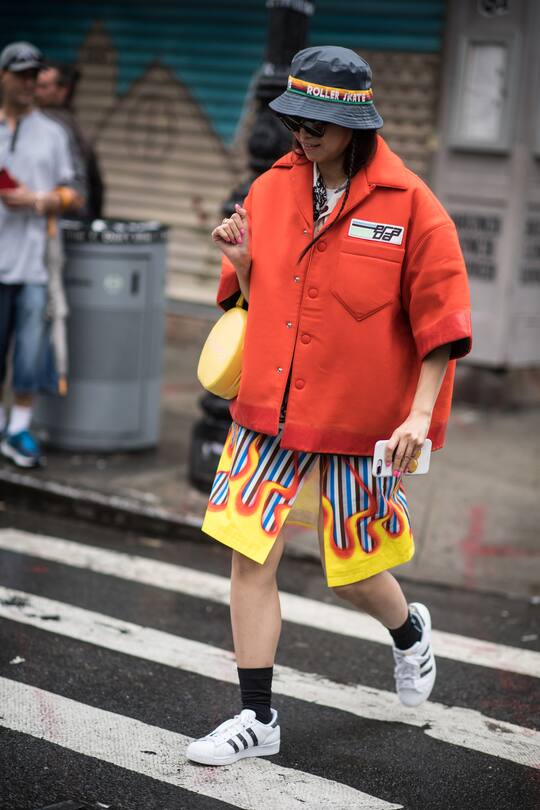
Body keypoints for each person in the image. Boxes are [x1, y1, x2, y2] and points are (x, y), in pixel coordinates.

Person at [186, 46, 472, 766]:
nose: (302, 137)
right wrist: (245, 264)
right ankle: (257, 717)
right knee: (250, 551)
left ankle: (409, 632)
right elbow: (258, 303)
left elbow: (441, 324)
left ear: (355, 127)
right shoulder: (270, 189)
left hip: (360, 416)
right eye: (294, 122)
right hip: (269, 409)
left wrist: (417, 415)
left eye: (317, 125)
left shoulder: (413, 207)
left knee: (353, 567)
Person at [0, 41, 83, 468]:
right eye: (22, 75)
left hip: (34, 263)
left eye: (36, 76)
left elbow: (77, 193)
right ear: (3, 77)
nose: (30, 84)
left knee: (30, 352)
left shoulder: (54, 133)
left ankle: (19, 428)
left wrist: (38, 200)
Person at [36, 61, 104, 221]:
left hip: (63, 220)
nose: (36, 92)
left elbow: (85, 184)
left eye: (44, 87)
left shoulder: (59, 128)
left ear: (63, 91)